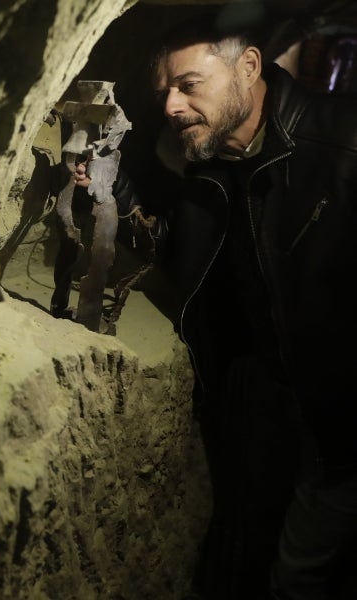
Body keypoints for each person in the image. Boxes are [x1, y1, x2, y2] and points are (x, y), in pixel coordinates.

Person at [72, 18, 357, 600]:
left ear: (249, 68)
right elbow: (185, 245)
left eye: (189, 85)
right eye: (163, 93)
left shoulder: (344, 145)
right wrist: (113, 189)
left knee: (300, 574)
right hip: (271, 400)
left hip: (341, 420)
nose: (172, 105)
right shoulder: (214, 167)